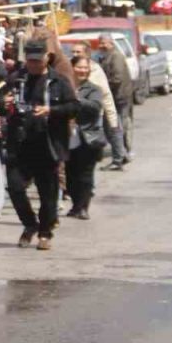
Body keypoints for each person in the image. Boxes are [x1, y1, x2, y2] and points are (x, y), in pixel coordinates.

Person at [4, 40, 79, 251]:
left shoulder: (58, 81)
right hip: (19, 145)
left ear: (47, 58)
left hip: (47, 145)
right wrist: (5, 104)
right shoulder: (17, 79)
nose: (34, 65)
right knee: (15, 187)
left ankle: (45, 232)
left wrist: (50, 110)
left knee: (48, 194)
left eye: (37, 61)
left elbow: (74, 107)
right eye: (30, 61)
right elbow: (1, 108)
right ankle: (30, 224)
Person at [66, 55, 108, 221]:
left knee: (85, 174)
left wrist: (78, 99)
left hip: (88, 137)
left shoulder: (93, 89)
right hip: (68, 136)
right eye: (79, 67)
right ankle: (76, 205)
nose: (82, 71)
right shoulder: (65, 86)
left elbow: (95, 107)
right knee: (70, 173)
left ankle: (83, 207)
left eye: (85, 68)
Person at [68, 40, 120, 166]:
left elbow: (106, 97)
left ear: (86, 54)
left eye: (78, 52)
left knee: (88, 159)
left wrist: (113, 121)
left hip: (91, 121)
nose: (75, 54)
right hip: (71, 125)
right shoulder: (67, 70)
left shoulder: (96, 71)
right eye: (73, 52)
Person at [96, 33, 132, 170]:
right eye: (100, 43)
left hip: (118, 97)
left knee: (113, 127)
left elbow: (117, 79)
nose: (101, 46)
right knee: (113, 127)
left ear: (111, 43)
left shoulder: (115, 56)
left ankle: (118, 159)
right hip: (114, 97)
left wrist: (100, 87)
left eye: (104, 43)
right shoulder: (106, 56)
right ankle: (122, 155)